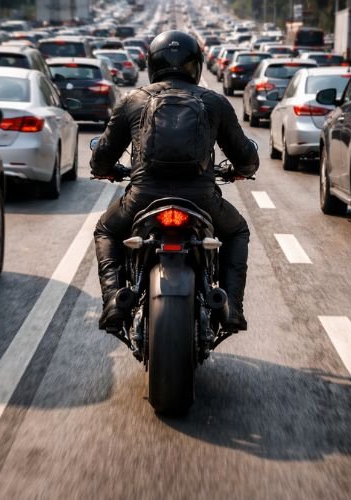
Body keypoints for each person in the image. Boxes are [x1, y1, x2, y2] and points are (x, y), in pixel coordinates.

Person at [90, 30, 259, 333]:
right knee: (236, 231)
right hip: (201, 199)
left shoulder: (133, 100)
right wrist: (240, 171)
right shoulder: (213, 101)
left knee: (106, 230)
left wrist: (108, 170)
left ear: (152, 63)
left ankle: (115, 300)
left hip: (143, 197)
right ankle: (231, 307)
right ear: (196, 65)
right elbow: (246, 157)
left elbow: (101, 157)